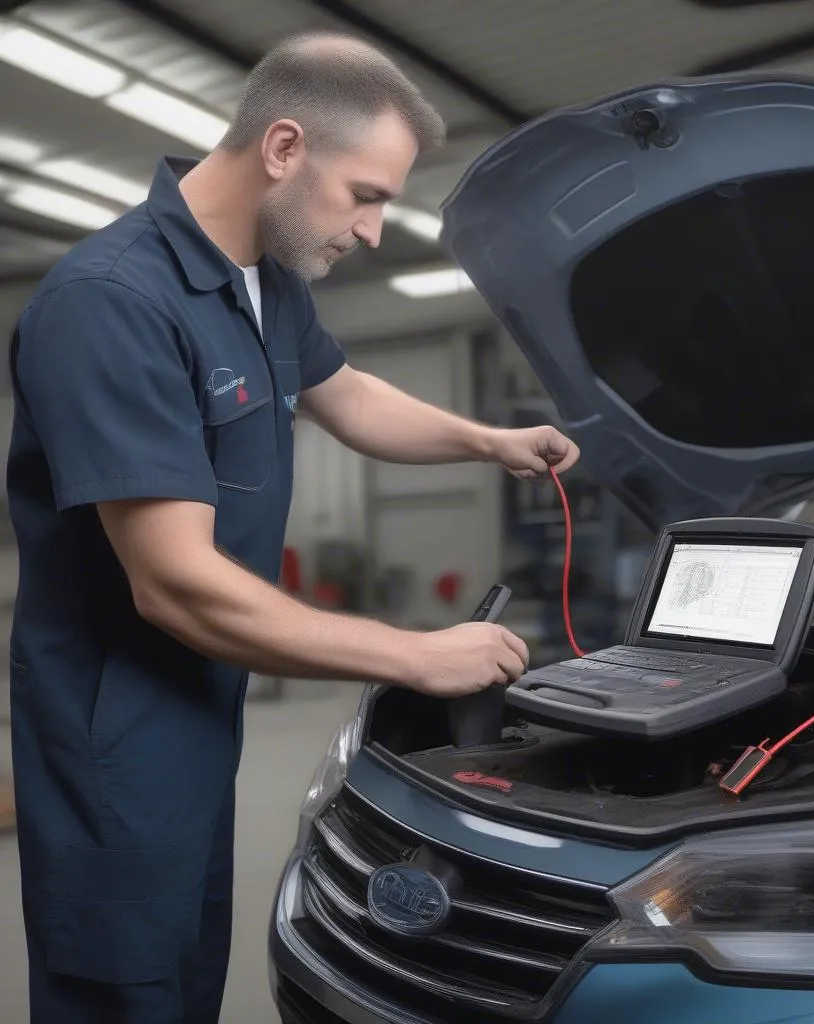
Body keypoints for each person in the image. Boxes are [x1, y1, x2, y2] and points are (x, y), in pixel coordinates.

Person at [5, 31, 579, 1024]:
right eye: (367, 194)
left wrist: (493, 441)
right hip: (116, 753)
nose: (371, 231)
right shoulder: (112, 304)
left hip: (198, 720)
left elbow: (346, 395)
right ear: (282, 149)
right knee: (126, 999)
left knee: (186, 985)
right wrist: (413, 654)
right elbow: (175, 582)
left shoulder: (263, 284)